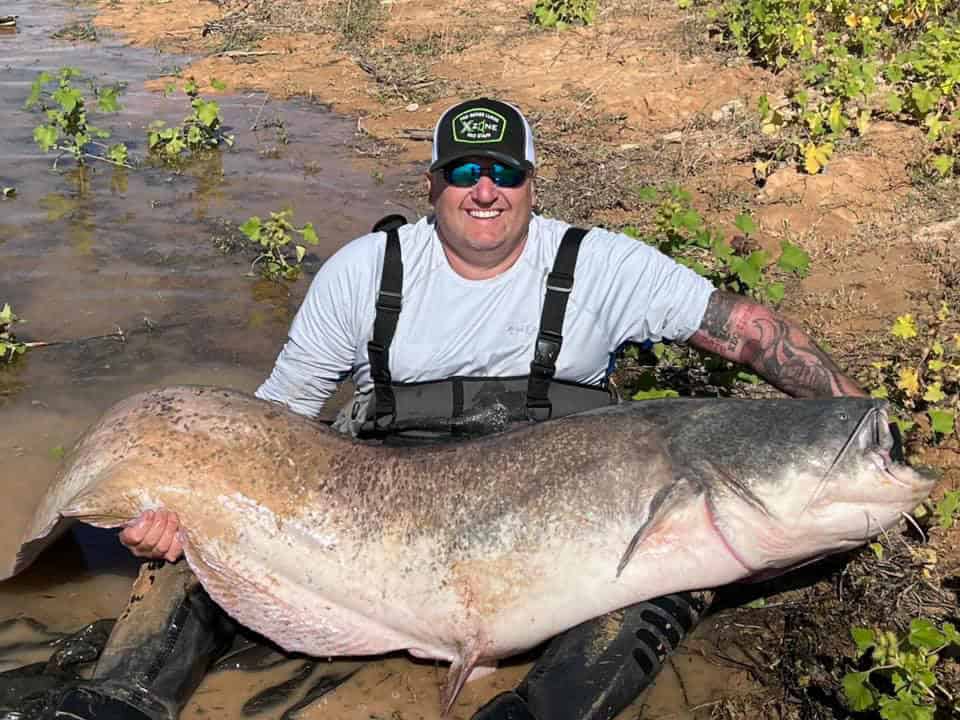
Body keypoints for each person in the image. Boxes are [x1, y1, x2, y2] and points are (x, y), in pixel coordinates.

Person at [112, 97, 866, 720]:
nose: (485, 189)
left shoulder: (597, 263)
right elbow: (274, 419)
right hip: (385, 501)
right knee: (208, 555)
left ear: (532, 185)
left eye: (504, 171)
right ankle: (111, 701)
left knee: (665, 577)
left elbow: (746, 332)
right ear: (432, 185)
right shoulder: (363, 273)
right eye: (465, 171)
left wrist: (853, 420)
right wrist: (187, 512)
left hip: (559, 502)